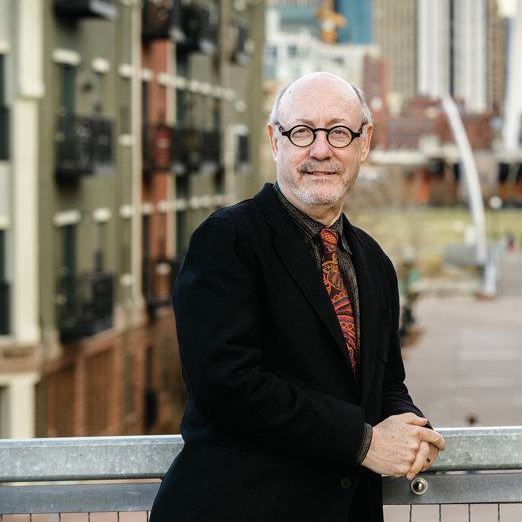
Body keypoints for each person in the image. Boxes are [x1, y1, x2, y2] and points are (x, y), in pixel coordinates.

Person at [150, 72, 445, 522]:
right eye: (302, 131)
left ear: (364, 144)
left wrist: (411, 429)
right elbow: (225, 385)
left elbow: (383, 385)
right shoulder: (227, 240)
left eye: (339, 132)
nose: (321, 150)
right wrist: (364, 443)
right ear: (275, 140)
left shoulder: (373, 261)